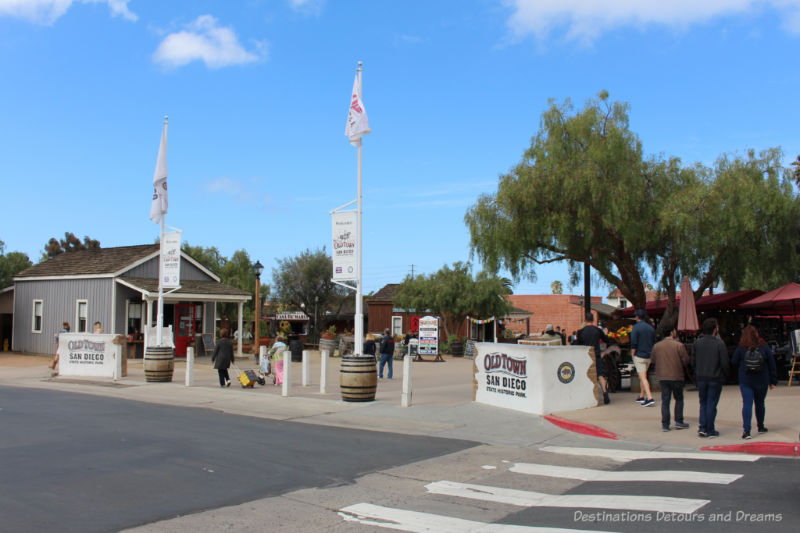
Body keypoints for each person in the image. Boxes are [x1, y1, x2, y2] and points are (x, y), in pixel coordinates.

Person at [731, 325, 778, 439]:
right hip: (762, 379)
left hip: (746, 380)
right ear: (756, 333)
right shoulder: (763, 346)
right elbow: (772, 364)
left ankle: (747, 431)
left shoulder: (741, 347)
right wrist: (773, 381)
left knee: (747, 404)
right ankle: (761, 426)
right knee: (760, 403)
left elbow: (733, 361)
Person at [691, 317, 730, 438]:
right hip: (715, 377)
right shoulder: (719, 344)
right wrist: (725, 375)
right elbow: (724, 362)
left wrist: (696, 372)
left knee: (703, 403)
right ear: (715, 330)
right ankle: (710, 428)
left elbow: (693, 361)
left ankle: (702, 426)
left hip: (701, 376)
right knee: (711, 403)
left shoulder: (697, 343)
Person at [650, 322, 690, 431]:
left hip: (662, 377)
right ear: (672, 332)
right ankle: (678, 421)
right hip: (677, 376)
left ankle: (665, 424)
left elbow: (652, 360)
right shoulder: (679, 345)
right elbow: (686, 360)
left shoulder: (656, 346)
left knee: (665, 400)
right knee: (679, 398)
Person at [577, 312, 612, 404]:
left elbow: (578, 344)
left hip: (586, 356)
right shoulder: (597, 330)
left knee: (587, 375)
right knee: (600, 375)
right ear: (593, 320)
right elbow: (606, 339)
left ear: (585, 320)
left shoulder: (580, 332)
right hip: (596, 355)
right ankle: (605, 393)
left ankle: (588, 395)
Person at [631, 309, 657, 407]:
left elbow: (633, 342)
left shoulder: (635, 328)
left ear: (637, 317)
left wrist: (632, 354)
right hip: (649, 355)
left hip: (639, 355)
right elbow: (654, 341)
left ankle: (649, 398)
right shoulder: (651, 328)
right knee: (643, 375)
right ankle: (641, 396)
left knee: (643, 377)